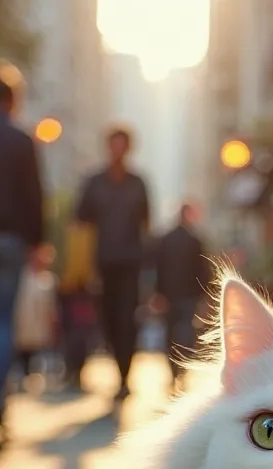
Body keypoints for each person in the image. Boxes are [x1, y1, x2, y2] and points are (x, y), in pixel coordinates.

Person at [76, 125, 150, 402]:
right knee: (106, 319)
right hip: (102, 264)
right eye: (113, 144)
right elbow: (80, 221)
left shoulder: (138, 183)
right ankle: (116, 368)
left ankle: (124, 377)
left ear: (129, 148)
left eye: (122, 145)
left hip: (130, 264)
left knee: (127, 320)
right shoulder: (93, 182)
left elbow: (145, 225)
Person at [0, 71, 43, 428]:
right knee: (3, 323)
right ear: (14, 100)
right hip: (9, 241)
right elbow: (34, 196)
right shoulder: (23, 141)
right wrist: (38, 243)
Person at [154, 202, 211, 391]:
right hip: (188, 297)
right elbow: (204, 271)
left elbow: (157, 269)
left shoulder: (166, 239)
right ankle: (181, 370)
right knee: (186, 334)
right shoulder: (195, 240)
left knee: (170, 335)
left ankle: (173, 370)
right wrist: (203, 296)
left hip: (170, 296)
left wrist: (158, 293)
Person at [59, 220, 99, 390]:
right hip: (82, 290)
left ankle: (72, 370)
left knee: (73, 333)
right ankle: (75, 370)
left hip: (72, 290)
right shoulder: (91, 231)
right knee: (80, 333)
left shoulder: (67, 232)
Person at [14, 243, 58, 382]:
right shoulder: (21, 277)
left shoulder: (49, 280)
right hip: (22, 324)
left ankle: (30, 371)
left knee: (34, 350)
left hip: (38, 325)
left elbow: (51, 307)